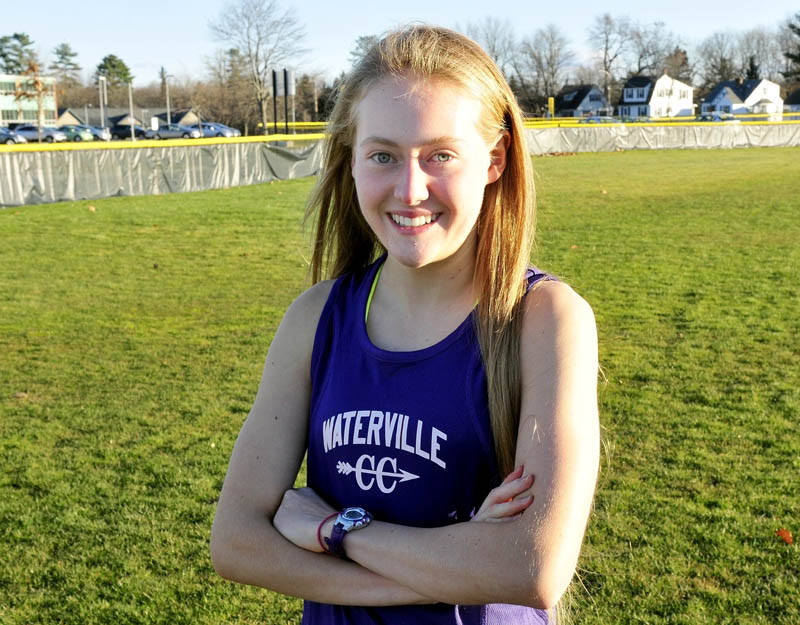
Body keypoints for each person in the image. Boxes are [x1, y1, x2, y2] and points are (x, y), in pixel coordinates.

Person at [210, 25, 599, 624]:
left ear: (494, 161)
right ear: (353, 160)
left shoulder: (543, 320)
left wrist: (338, 530)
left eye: (440, 155)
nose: (410, 189)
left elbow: (532, 569)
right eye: (383, 156)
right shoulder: (317, 317)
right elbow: (236, 541)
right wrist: (446, 567)